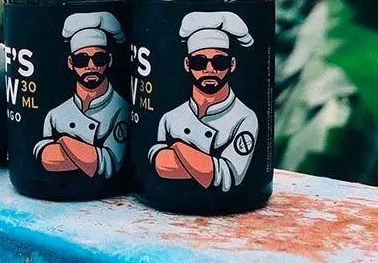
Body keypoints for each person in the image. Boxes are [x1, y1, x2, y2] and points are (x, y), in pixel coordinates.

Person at [148, 11, 259, 192]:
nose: (209, 69)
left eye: (219, 62)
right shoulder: (170, 118)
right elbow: (159, 165)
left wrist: (178, 146)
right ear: (187, 64)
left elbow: (230, 175)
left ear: (232, 65)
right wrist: (207, 164)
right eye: (199, 62)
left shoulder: (245, 118)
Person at [33, 12, 129, 178]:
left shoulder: (121, 109)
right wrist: (88, 155)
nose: (91, 66)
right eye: (81, 60)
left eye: (99, 58)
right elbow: (45, 158)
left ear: (109, 60)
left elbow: (110, 163)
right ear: (71, 63)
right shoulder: (55, 115)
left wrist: (64, 141)